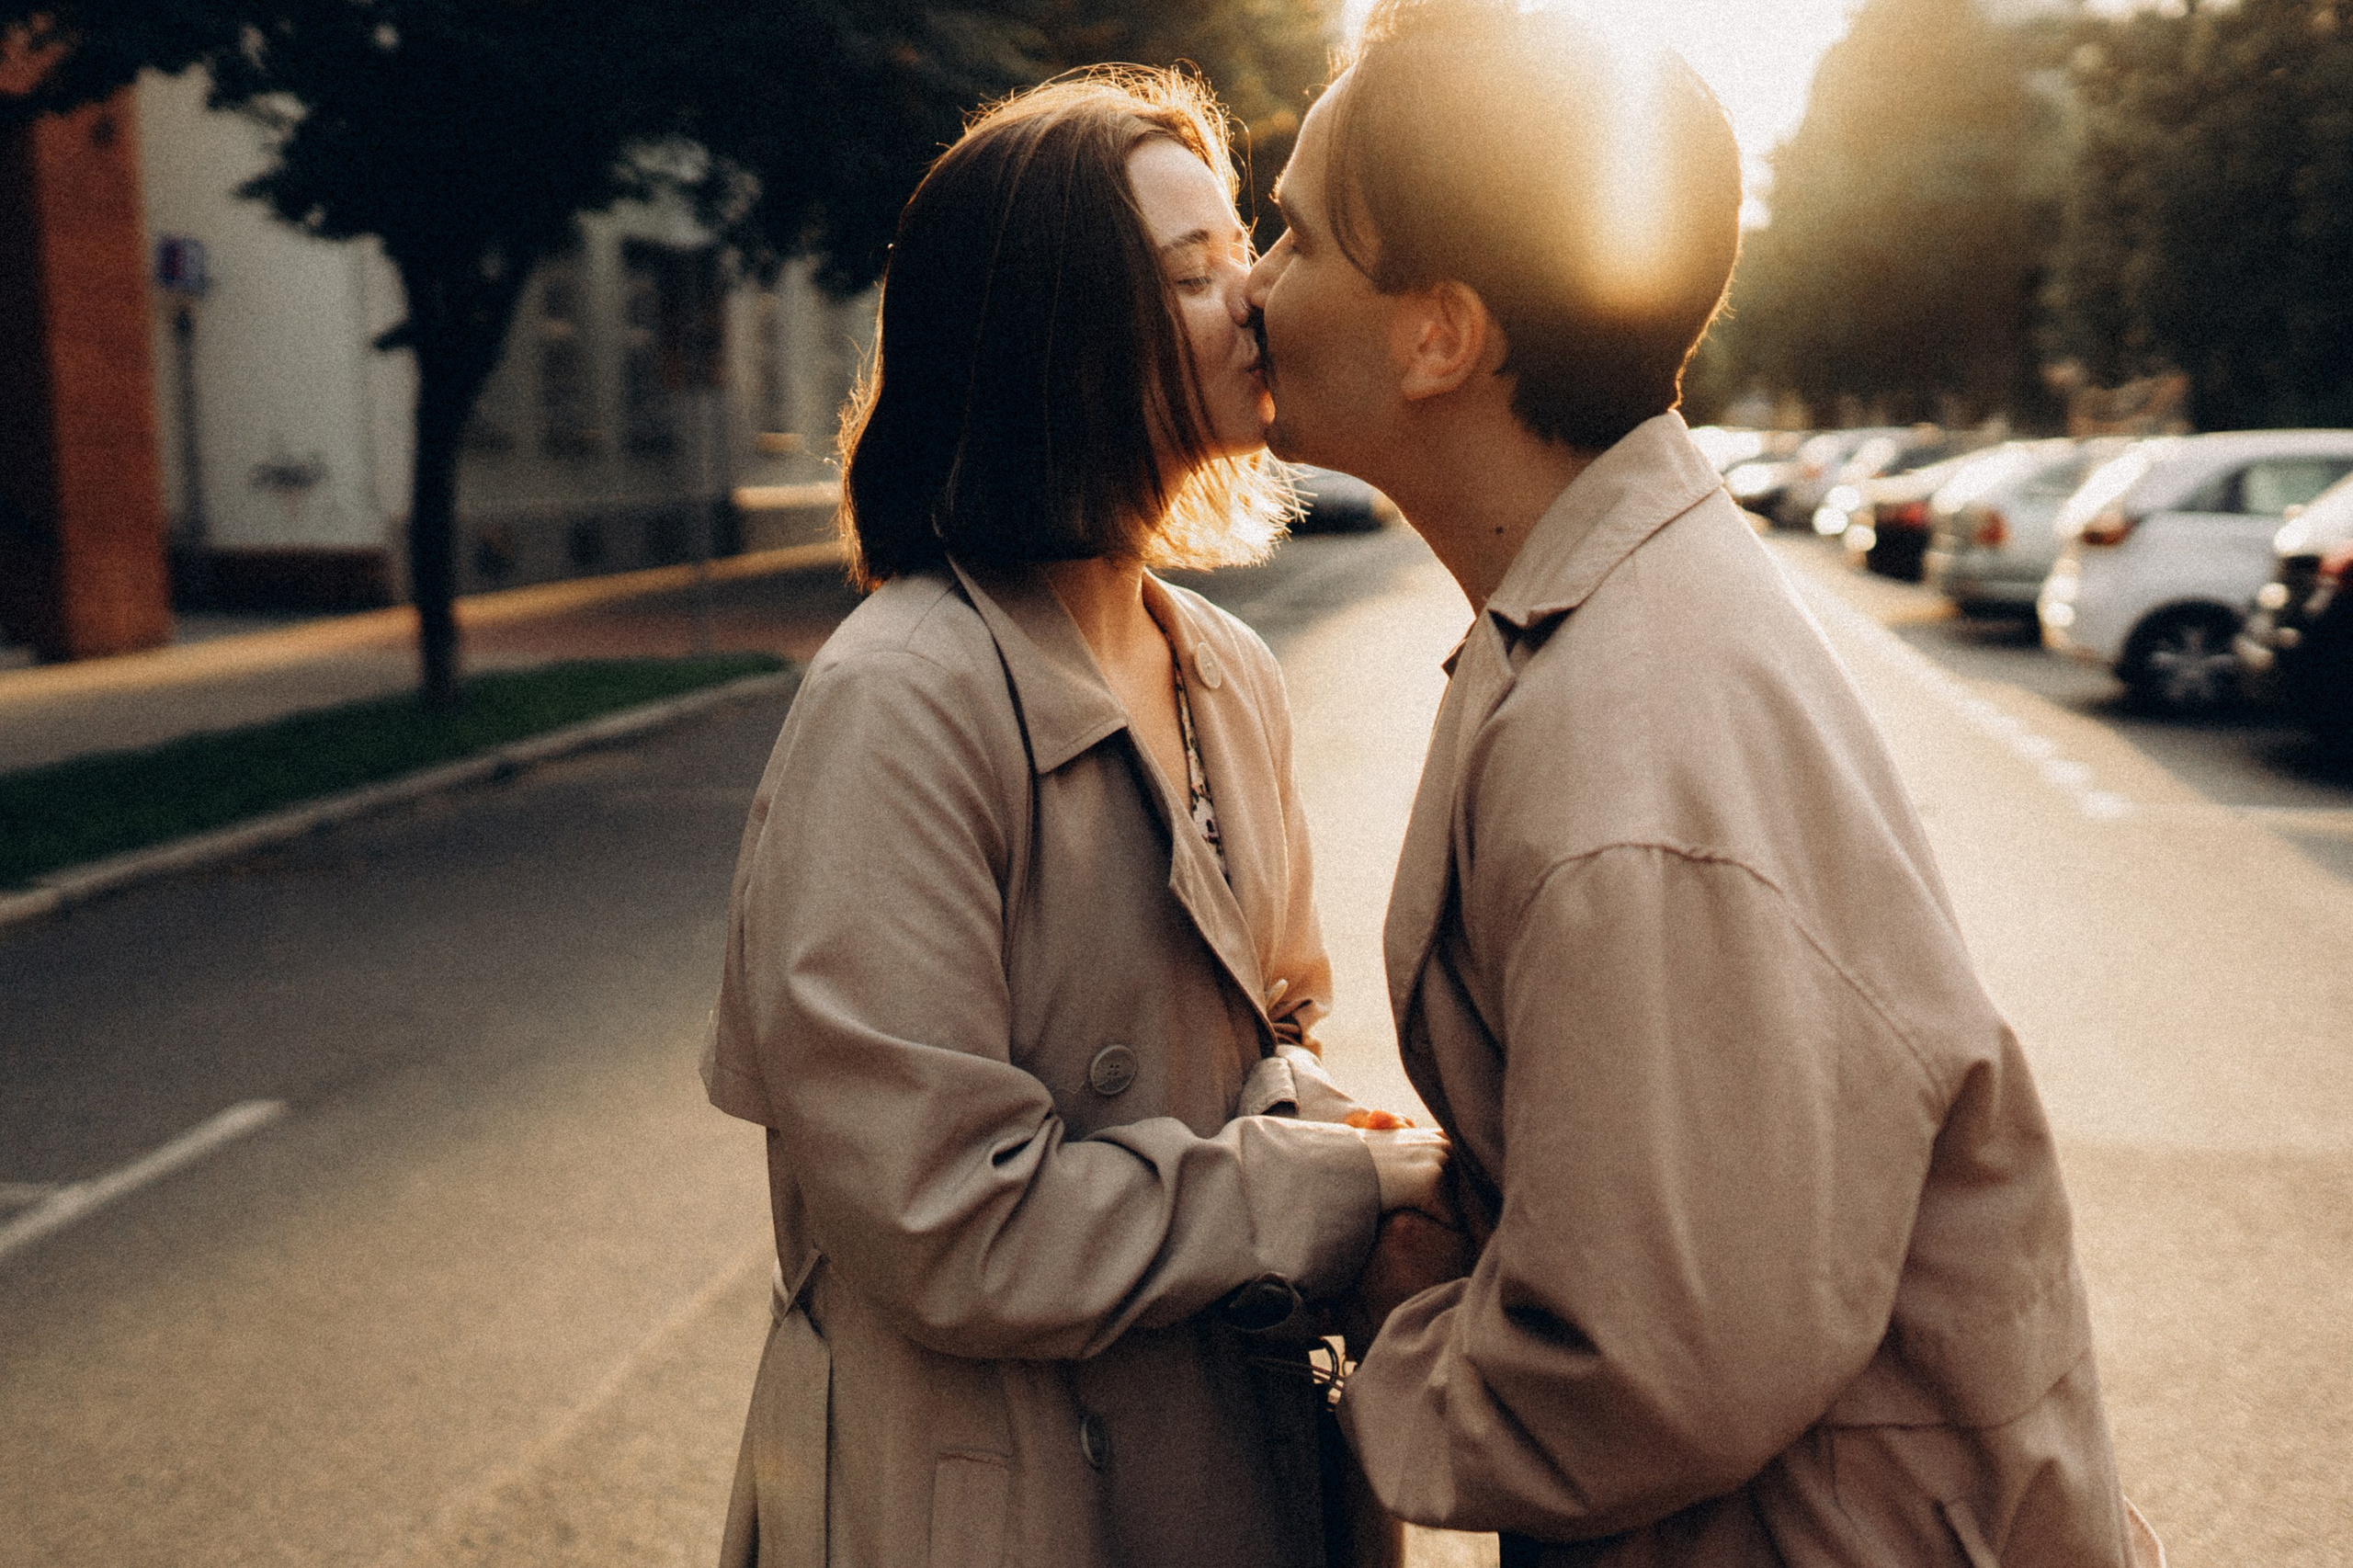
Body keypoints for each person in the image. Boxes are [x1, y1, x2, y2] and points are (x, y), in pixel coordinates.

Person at [1242, 3, 2165, 1564]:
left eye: (1293, 236)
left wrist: (1398, 1328)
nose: (1255, 285)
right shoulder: (1615, 614)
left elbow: (1649, 1366)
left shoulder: (1629, 740)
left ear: (1437, 334)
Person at [700, 69, 1449, 1568]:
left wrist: (1346, 1132)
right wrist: (1327, 1190)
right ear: (1058, 334)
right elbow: (946, 1220)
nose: (1251, 296)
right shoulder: (903, 698)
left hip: (1225, 1449)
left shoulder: (1219, 666)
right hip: (987, 1501)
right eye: (1190, 271)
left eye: (1237, 245)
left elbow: (1260, 1039)